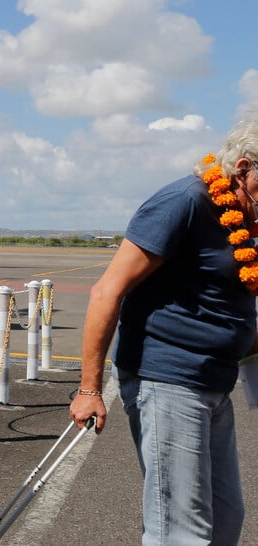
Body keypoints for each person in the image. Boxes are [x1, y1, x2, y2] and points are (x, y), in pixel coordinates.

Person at [70, 117, 258, 545]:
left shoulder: (245, 218)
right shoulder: (183, 202)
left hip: (214, 384)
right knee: (181, 530)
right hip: (169, 380)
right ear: (244, 167)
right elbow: (107, 291)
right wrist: (88, 388)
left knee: (226, 520)